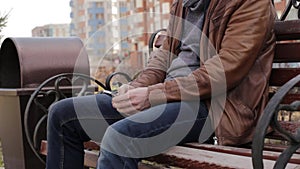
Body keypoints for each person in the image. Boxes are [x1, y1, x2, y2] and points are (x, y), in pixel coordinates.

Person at [46, 0, 276, 168]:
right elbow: (164, 55)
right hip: (168, 97)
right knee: (63, 115)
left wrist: (154, 94)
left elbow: (226, 71)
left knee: (121, 139)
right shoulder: (185, 3)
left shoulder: (250, 3)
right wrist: (137, 87)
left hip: (215, 109)